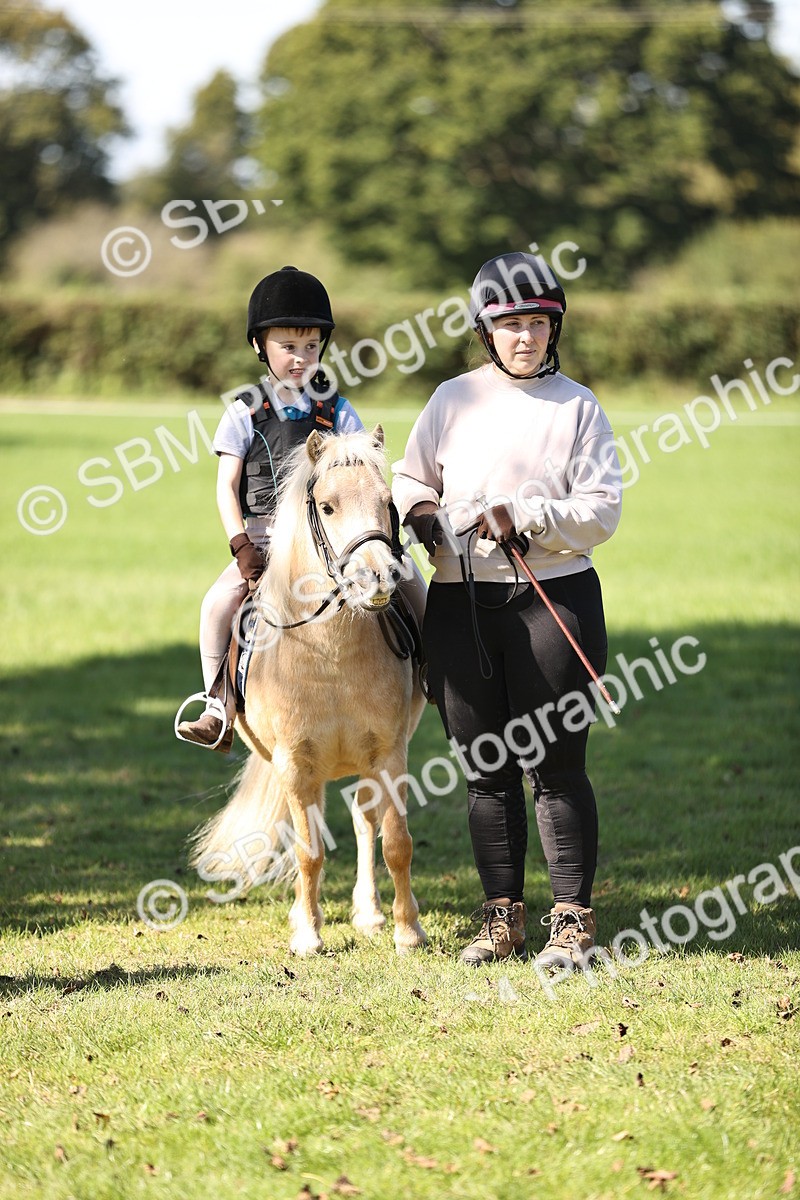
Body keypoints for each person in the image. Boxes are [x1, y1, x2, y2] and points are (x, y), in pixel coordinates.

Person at [392, 251, 622, 971]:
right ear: (485, 330)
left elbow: (603, 508)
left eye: (537, 324)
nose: (524, 337)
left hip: (553, 597)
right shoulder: (451, 398)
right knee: (484, 770)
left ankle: (571, 922)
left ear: (555, 329)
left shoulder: (579, 405)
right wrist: (424, 515)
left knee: (555, 765)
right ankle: (501, 921)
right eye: (509, 325)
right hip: (461, 603)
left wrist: (528, 517)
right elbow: (408, 478)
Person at [176, 264, 427, 751]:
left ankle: (432, 670)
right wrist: (240, 544)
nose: (300, 358)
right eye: (288, 347)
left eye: (311, 346)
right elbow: (226, 485)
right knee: (217, 605)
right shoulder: (243, 411)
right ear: (260, 347)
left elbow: (361, 474)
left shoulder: (337, 410)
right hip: (267, 539)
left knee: (411, 582)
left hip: (333, 538)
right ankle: (217, 706)